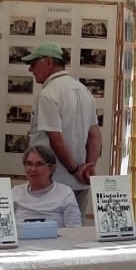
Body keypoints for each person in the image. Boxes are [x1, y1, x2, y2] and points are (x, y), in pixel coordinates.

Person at [22, 42, 102, 213]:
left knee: (52, 232)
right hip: (80, 181)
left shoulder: (49, 94)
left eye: (34, 63)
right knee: (76, 231)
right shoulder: (84, 90)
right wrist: (89, 167)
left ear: (49, 62)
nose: (30, 69)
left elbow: (56, 142)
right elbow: (95, 135)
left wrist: (75, 170)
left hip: (55, 183)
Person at [11, 145, 82, 227]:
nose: (33, 169)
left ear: (52, 168)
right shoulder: (16, 192)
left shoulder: (65, 193)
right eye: (29, 164)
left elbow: (74, 229)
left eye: (39, 164)